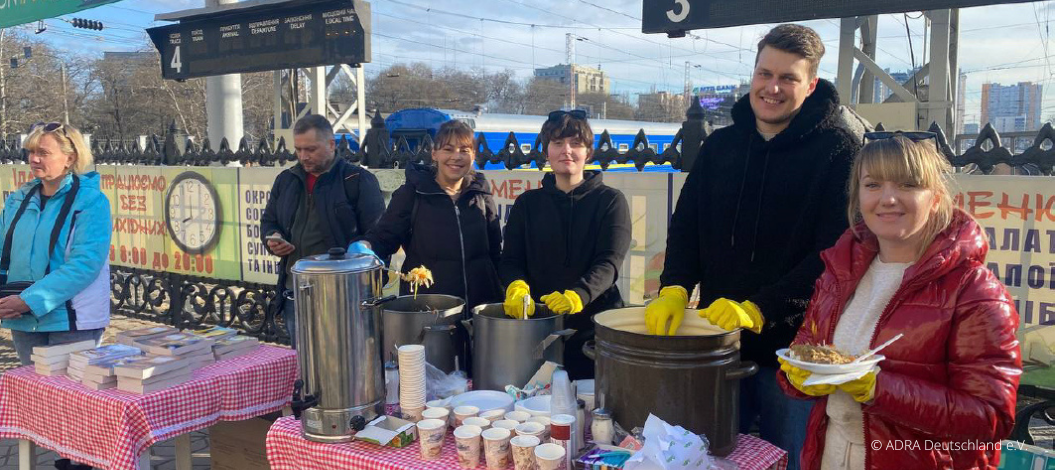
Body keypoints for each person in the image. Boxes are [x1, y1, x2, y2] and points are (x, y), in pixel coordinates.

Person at [643, 24, 860, 469]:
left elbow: (833, 253)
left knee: (793, 459)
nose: (773, 87)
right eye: (765, 73)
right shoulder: (720, 145)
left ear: (811, 84)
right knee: (711, 457)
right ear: (753, 74)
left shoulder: (839, 151)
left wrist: (763, 307)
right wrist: (675, 287)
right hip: (718, 345)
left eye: (788, 78)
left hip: (795, 354)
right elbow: (688, 227)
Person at [777, 132, 1021, 469]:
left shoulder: (974, 290)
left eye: (907, 185)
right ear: (858, 196)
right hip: (830, 454)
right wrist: (795, 376)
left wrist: (879, 388)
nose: (888, 198)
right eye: (873, 184)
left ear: (936, 198)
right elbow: (807, 348)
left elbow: (990, 418)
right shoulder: (839, 272)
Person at [349, 120, 503, 368]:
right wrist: (365, 246)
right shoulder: (413, 193)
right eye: (448, 149)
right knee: (432, 387)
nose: (456, 157)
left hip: (479, 311)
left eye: (464, 150)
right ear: (434, 154)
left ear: (474, 154)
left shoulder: (481, 193)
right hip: (431, 311)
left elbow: (495, 253)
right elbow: (383, 236)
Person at [498, 109, 631, 380]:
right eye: (558, 143)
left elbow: (609, 262)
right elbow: (511, 259)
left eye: (575, 144)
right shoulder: (527, 204)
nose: (566, 150)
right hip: (538, 328)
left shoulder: (611, 201)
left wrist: (578, 295)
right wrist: (516, 285)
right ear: (547, 151)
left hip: (595, 329)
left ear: (588, 153)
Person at [260, 114, 385, 347]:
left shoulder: (358, 180)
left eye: (310, 149)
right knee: (306, 371)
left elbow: (380, 234)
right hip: (295, 293)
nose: (303, 156)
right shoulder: (286, 180)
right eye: (298, 149)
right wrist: (273, 239)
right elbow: (269, 222)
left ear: (331, 144)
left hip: (344, 298)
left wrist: (362, 248)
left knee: (345, 369)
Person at [0, 122, 111, 369]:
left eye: (44, 153)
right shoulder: (18, 200)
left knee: (72, 399)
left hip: (72, 320)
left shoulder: (90, 201)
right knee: (38, 397)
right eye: (31, 152)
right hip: (23, 317)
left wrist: (30, 300)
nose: (34, 159)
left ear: (70, 158)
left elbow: (85, 265)